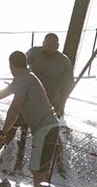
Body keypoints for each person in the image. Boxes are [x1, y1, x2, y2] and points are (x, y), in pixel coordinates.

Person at [0, 51, 60, 187]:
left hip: (45, 128)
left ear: (11, 65)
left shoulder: (24, 80)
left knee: (38, 170)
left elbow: (15, 108)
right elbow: (2, 94)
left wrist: (3, 132)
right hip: (48, 127)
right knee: (40, 170)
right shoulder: (25, 78)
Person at [26, 33, 73, 177]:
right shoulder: (33, 52)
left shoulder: (64, 62)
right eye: (46, 44)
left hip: (51, 106)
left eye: (52, 46)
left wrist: (60, 107)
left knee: (53, 135)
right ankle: (7, 156)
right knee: (18, 126)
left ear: (58, 46)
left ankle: (60, 166)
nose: (49, 48)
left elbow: (68, 87)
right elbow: (21, 69)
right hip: (29, 101)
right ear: (43, 43)